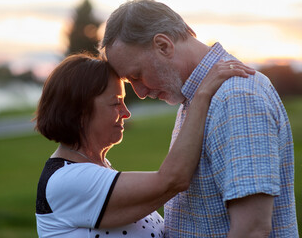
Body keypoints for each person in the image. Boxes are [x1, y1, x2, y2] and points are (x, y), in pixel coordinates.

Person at [100, 0, 298, 237]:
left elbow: (252, 229)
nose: (140, 93)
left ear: (163, 45)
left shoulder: (235, 97)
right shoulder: (198, 98)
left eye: (137, 75)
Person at [33, 52, 252, 237]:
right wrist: (202, 94)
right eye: (116, 103)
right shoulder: (66, 181)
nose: (126, 113)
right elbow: (173, 180)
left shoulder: (92, 169)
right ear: (79, 111)